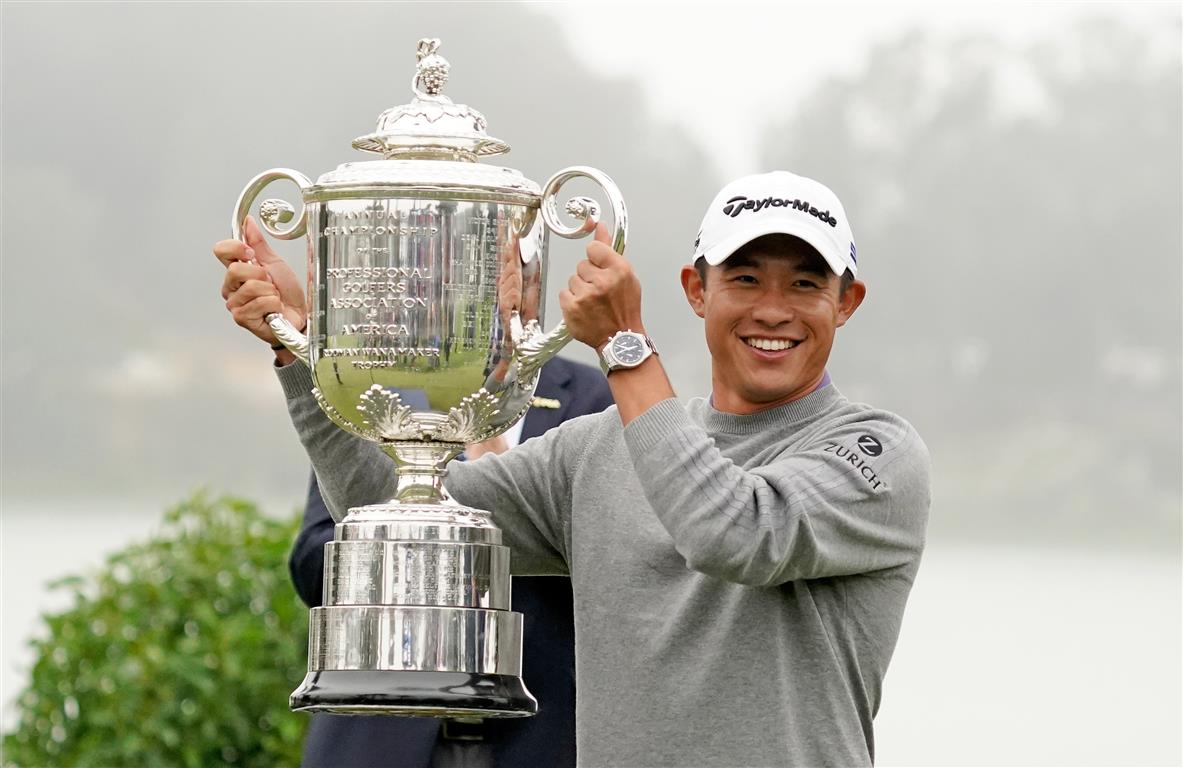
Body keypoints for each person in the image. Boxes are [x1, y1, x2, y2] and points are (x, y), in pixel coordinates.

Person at [217, 170, 932, 767]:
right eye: (745, 277)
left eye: (806, 285)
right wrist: (302, 352)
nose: (773, 310)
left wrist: (624, 345)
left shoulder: (875, 454)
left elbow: (733, 532)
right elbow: (392, 511)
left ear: (845, 303)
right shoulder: (595, 448)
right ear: (696, 290)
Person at [290, 357, 612, 768]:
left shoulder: (591, 396)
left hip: (541, 737)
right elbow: (315, 566)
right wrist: (434, 540)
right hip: (379, 734)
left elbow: (609, 563)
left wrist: (504, 508)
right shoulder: (375, 389)